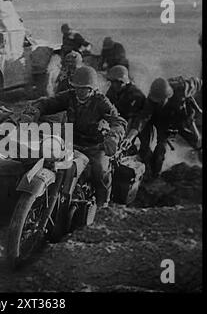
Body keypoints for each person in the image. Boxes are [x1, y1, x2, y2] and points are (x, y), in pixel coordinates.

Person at [23, 66, 127, 224]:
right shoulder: (69, 97)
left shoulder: (100, 101)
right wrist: (34, 111)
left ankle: (102, 205)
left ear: (91, 89)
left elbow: (118, 121)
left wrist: (112, 137)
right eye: (76, 88)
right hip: (70, 141)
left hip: (94, 145)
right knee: (45, 159)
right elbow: (48, 103)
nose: (79, 92)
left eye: (83, 89)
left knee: (100, 169)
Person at [123, 76, 203, 178]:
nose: (158, 102)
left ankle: (156, 174)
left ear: (168, 96)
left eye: (161, 101)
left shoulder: (180, 95)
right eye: (156, 101)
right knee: (146, 147)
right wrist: (130, 137)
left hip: (173, 118)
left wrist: (197, 136)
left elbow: (188, 118)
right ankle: (151, 171)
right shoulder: (152, 98)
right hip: (157, 116)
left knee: (163, 147)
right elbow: (142, 119)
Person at [106, 65, 146, 154]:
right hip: (121, 121)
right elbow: (107, 108)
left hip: (141, 125)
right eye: (112, 82)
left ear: (124, 82)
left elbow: (138, 121)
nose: (114, 85)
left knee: (145, 152)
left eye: (117, 82)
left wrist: (129, 138)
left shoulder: (137, 96)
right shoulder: (113, 90)